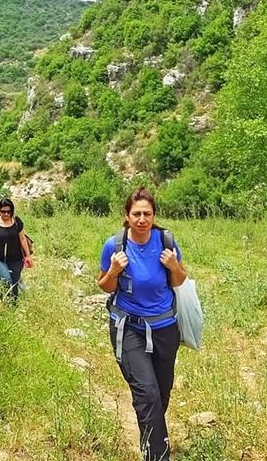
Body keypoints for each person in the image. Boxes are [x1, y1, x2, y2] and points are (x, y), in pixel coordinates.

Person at [98, 188, 187, 461]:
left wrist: (173, 266)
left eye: (147, 213)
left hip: (164, 329)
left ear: (154, 215)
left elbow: (179, 281)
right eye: (136, 213)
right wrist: (114, 270)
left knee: (161, 394)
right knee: (147, 393)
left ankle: (150, 439)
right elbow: (104, 285)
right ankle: (158, 456)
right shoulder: (114, 246)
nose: (141, 219)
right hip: (129, 329)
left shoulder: (167, 242)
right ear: (127, 216)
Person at [0, 197, 33, 302]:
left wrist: (28, 256)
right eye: (3, 212)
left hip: (16, 260)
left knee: (14, 283)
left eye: (8, 212)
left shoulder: (16, 221)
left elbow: (22, 239)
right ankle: (5, 301)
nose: (6, 214)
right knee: (6, 280)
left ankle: (13, 306)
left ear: (12, 211)